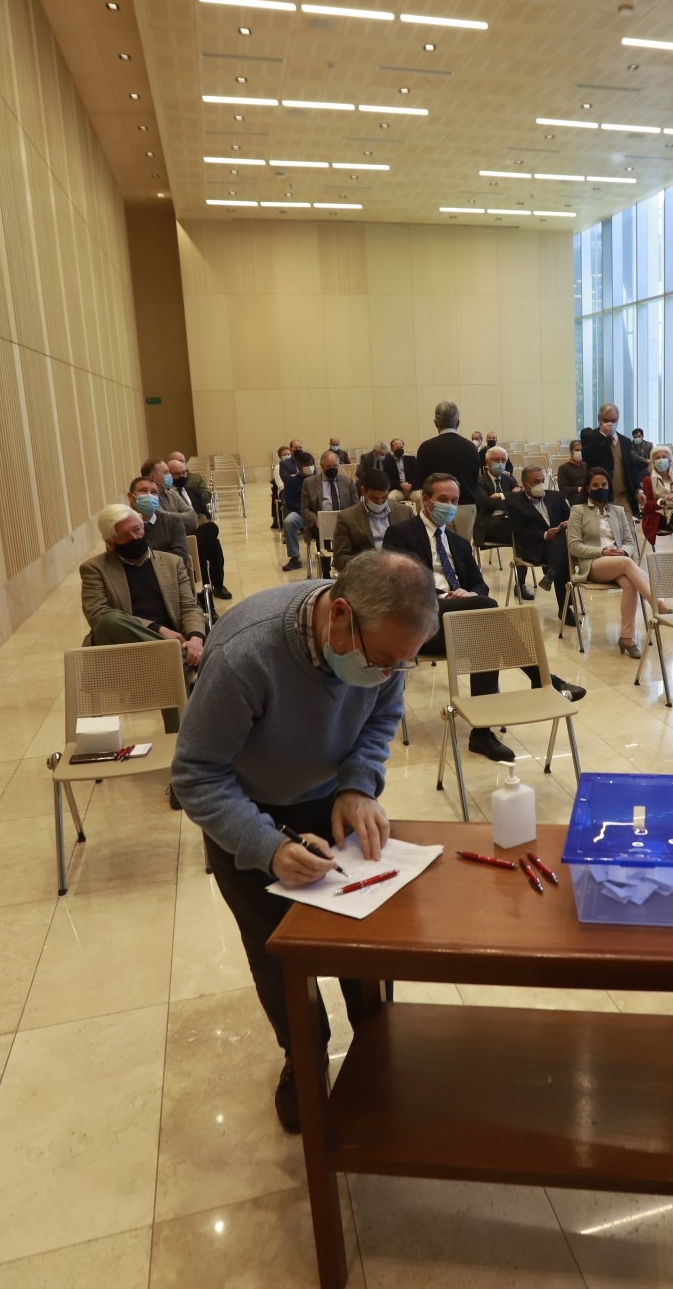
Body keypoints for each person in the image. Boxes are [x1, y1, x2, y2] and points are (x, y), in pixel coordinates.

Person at [174, 551, 438, 1133]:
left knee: (362, 938)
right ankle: (304, 1054)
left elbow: (379, 718)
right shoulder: (245, 654)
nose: (390, 673)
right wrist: (265, 846)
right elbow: (196, 775)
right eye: (384, 660)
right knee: (280, 955)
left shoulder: (380, 650)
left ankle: (375, 1041)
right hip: (246, 811)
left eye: (404, 664)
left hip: (329, 801)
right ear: (339, 616)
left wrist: (358, 786)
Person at [386, 474, 585, 760]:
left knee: (485, 628)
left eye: (455, 501)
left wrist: (467, 595)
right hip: (424, 622)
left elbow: (480, 585)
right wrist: (446, 597)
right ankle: (543, 678)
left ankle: (482, 733)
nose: (451, 506)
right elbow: (399, 589)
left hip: (465, 620)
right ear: (426, 500)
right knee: (486, 611)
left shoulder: (458, 541)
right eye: (444, 500)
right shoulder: (401, 534)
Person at [81, 505, 207, 737]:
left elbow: (189, 606)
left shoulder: (172, 563)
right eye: (125, 535)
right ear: (110, 542)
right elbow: (97, 615)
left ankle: (181, 743)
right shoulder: (94, 569)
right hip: (122, 651)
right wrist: (159, 630)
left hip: (164, 657)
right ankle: (177, 656)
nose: (135, 537)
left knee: (166, 666)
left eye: (137, 530)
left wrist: (196, 638)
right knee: (109, 620)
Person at [568, 468, 659, 657]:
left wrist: (623, 551)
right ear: (588, 488)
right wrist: (603, 551)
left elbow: (630, 542)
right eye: (595, 485)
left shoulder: (618, 511)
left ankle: (627, 638)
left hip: (618, 561)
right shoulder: (578, 510)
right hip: (593, 565)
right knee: (626, 564)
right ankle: (658, 604)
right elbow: (574, 546)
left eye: (604, 485)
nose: (600, 488)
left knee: (630, 584)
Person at [508, 464, 575, 625]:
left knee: (563, 540)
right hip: (534, 547)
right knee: (564, 557)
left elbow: (572, 517)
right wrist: (545, 535)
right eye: (536, 481)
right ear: (525, 485)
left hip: (558, 544)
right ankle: (565, 608)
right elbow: (519, 532)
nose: (541, 484)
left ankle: (551, 573)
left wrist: (568, 523)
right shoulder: (515, 503)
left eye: (542, 480)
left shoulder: (556, 496)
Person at [167, 457, 231, 599]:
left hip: (197, 532)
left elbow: (205, 515)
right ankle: (206, 595)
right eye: (177, 474)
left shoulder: (192, 492)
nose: (182, 476)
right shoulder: (167, 496)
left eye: (184, 473)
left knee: (213, 540)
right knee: (207, 542)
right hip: (179, 537)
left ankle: (218, 586)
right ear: (168, 475)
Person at [333, 465, 416, 568]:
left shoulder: (405, 512)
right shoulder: (346, 517)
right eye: (374, 498)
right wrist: (369, 564)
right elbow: (340, 558)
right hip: (366, 573)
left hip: (399, 570)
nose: (379, 502)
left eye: (384, 497)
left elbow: (416, 547)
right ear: (363, 491)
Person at [581, 403, 647, 518]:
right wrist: (602, 435)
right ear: (599, 419)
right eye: (606, 420)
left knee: (628, 533)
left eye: (613, 420)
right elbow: (586, 457)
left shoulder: (625, 441)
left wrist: (638, 490)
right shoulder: (590, 437)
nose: (610, 424)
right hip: (601, 496)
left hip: (623, 496)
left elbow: (630, 469)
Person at [418, 400, 484, 508]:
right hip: (467, 505)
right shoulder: (471, 447)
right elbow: (476, 479)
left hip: (436, 507)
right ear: (458, 422)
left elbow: (419, 482)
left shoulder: (425, 447)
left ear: (435, 423)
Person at [299, 450, 352, 578]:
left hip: (344, 519)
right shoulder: (310, 483)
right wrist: (316, 520)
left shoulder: (348, 481)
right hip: (321, 522)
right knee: (323, 532)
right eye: (329, 467)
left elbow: (355, 505)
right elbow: (305, 509)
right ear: (322, 466)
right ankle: (326, 572)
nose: (332, 469)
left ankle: (347, 571)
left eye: (335, 466)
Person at [476, 445, 518, 560]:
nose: (500, 463)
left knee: (524, 530)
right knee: (523, 532)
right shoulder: (479, 481)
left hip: (508, 522)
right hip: (488, 524)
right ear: (487, 462)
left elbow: (519, 500)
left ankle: (521, 574)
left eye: (503, 460)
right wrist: (509, 500)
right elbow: (485, 503)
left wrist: (501, 495)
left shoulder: (510, 480)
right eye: (496, 460)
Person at [280, 451, 315, 571]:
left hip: (318, 514)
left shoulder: (319, 480)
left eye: (311, 464)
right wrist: (305, 512)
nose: (309, 467)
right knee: (289, 521)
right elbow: (289, 502)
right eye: (306, 465)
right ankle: (294, 558)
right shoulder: (292, 482)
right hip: (301, 514)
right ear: (299, 466)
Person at [557, 441, 589, 506]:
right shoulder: (563, 468)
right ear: (571, 452)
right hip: (575, 496)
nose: (579, 452)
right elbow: (563, 489)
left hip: (588, 492)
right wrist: (578, 489)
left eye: (581, 450)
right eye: (577, 450)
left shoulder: (586, 465)